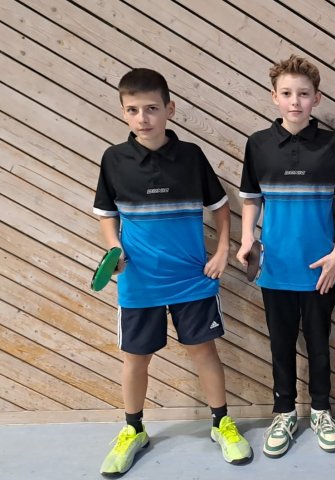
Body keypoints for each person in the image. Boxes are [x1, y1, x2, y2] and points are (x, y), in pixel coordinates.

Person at [93, 68, 251, 476]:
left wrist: (222, 250)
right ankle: (133, 429)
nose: (142, 117)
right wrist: (114, 247)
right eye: (133, 110)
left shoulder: (192, 156)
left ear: (170, 109)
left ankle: (221, 423)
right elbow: (107, 216)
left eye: (151, 108)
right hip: (139, 281)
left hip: (192, 278)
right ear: (123, 112)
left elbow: (220, 208)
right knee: (135, 359)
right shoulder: (113, 159)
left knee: (204, 352)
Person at [236, 55, 335, 458]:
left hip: (321, 268)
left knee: (319, 344)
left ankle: (321, 411)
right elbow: (251, 199)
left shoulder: (333, 146)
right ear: (274, 97)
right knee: (281, 344)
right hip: (275, 268)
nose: (295, 101)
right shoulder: (258, 145)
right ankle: (284, 413)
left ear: (316, 98)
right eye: (287, 93)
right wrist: (247, 238)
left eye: (303, 94)